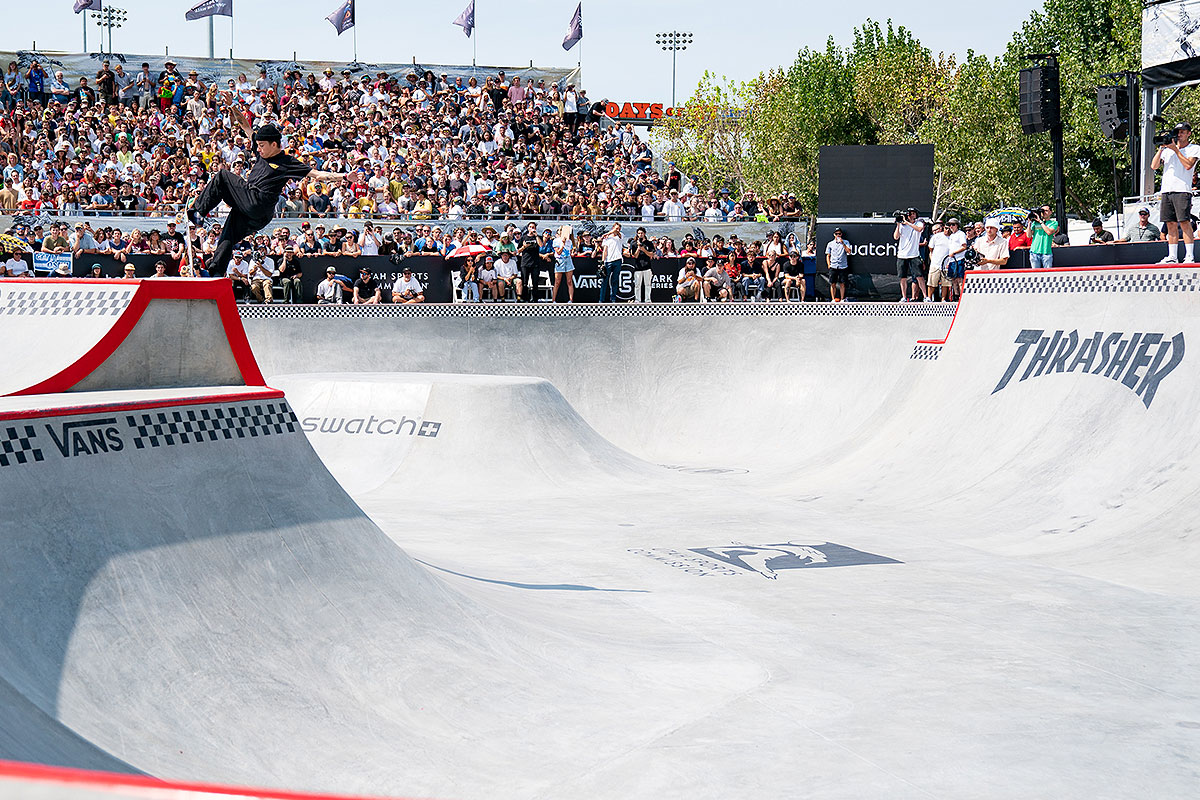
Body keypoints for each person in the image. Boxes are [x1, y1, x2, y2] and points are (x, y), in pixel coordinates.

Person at [187, 99, 346, 276]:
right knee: (228, 235)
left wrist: (345, 176)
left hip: (258, 201)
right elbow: (245, 126)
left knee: (223, 176)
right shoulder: (261, 149)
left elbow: (318, 175)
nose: (258, 149)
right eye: (258, 145)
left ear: (274, 144)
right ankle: (216, 272)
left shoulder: (287, 162)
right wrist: (232, 106)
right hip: (255, 213)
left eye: (262, 146)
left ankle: (198, 212)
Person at [1151, 122, 1200, 263]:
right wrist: (1161, 148)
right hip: (1166, 190)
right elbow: (1153, 166)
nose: (1179, 134)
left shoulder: (1194, 148)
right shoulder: (1167, 150)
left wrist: (1176, 150)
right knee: (1170, 223)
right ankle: (1172, 256)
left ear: (1189, 133)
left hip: (1182, 190)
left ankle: (1189, 255)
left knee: (1184, 222)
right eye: (1178, 132)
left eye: (1183, 132)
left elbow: (1188, 165)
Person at [893, 207, 927, 302]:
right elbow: (896, 237)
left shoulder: (918, 223)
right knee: (902, 277)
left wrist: (908, 223)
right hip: (902, 255)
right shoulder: (902, 225)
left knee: (919, 276)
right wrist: (899, 224)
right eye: (910, 214)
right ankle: (904, 297)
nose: (912, 215)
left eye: (913, 213)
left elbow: (919, 229)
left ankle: (925, 296)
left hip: (914, 254)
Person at [599, 223, 624, 303]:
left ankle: (613, 298)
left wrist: (609, 233)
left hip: (618, 260)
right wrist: (603, 262)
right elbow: (605, 251)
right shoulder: (607, 239)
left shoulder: (620, 236)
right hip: (608, 261)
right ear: (613, 228)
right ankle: (601, 299)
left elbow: (619, 235)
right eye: (616, 228)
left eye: (619, 229)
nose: (617, 230)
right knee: (605, 281)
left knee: (615, 280)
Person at [629, 227, 655, 302]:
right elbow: (635, 256)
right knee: (637, 285)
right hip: (638, 267)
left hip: (647, 266)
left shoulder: (649, 243)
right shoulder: (634, 243)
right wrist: (638, 248)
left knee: (648, 284)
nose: (640, 235)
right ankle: (637, 299)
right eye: (639, 233)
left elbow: (651, 254)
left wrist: (644, 249)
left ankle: (648, 299)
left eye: (642, 233)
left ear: (644, 234)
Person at [551, 224, 575, 303]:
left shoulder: (570, 241)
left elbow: (570, 251)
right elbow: (558, 252)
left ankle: (571, 300)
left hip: (568, 259)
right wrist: (563, 244)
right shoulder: (556, 240)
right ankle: (553, 300)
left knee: (569, 281)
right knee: (557, 281)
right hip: (560, 260)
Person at [826, 227, 851, 302]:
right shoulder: (830, 243)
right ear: (834, 235)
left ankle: (842, 299)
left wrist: (843, 243)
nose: (838, 235)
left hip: (843, 266)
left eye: (839, 234)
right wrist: (829, 264)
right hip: (833, 266)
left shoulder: (846, 242)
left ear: (841, 234)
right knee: (832, 283)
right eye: (836, 234)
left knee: (842, 283)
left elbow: (849, 251)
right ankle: (833, 299)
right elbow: (828, 255)